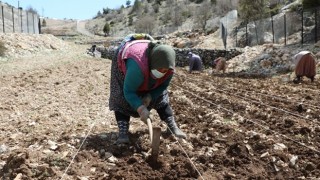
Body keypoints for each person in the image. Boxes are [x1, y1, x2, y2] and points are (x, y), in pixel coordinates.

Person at [109, 34, 187, 144]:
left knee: (161, 98)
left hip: (144, 67)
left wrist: (150, 96)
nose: (162, 72)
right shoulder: (137, 68)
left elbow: (163, 86)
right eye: (160, 69)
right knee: (121, 97)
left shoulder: (169, 69)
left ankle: (173, 127)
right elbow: (129, 91)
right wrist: (140, 108)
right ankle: (123, 132)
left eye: (165, 70)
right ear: (153, 63)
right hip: (127, 60)